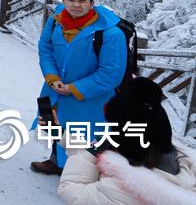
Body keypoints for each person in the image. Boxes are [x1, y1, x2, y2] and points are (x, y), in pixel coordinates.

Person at [31, 0, 127, 175]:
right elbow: (45, 48)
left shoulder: (110, 33)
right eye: (71, 0)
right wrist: (52, 77)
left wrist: (73, 88)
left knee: (84, 136)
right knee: (52, 124)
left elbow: (111, 74)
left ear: (92, 3)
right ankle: (56, 161)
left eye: (82, 1)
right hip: (54, 88)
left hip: (91, 97)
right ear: (63, 0)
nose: (76, 5)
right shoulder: (56, 21)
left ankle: (83, 173)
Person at [53, 77, 196, 204]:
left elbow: (72, 188)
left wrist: (92, 151)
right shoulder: (178, 163)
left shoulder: (123, 190)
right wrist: (60, 134)